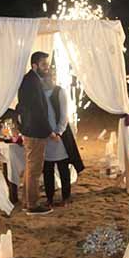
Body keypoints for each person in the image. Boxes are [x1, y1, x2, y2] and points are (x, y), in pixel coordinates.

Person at [16, 51, 54, 215]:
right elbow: (37, 110)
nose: (47, 67)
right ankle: (32, 204)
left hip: (30, 129)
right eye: (44, 64)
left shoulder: (31, 80)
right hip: (35, 130)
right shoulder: (32, 81)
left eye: (47, 64)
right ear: (34, 65)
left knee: (31, 167)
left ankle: (27, 201)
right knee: (35, 169)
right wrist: (49, 131)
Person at [42, 70, 85, 207]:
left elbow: (64, 115)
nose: (49, 81)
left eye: (51, 78)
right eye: (46, 79)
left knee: (63, 168)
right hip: (45, 136)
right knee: (47, 169)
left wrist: (58, 132)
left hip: (59, 136)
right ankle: (49, 198)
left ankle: (66, 197)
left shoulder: (60, 92)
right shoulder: (40, 93)